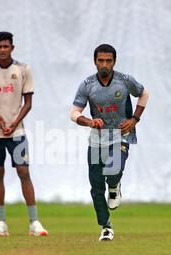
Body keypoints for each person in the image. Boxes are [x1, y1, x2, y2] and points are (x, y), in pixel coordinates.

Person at [70, 44, 149, 241]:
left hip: (120, 134)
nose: (104, 64)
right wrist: (89, 121)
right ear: (95, 61)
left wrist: (135, 119)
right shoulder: (87, 84)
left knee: (113, 169)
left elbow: (144, 94)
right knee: (96, 186)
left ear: (114, 61)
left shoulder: (124, 81)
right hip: (97, 138)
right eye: (101, 61)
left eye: (108, 61)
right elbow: (74, 113)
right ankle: (106, 227)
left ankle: (114, 186)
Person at [0, 31, 48, 237]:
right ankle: (1, 223)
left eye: (5, 46)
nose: (2, 50)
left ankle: (34, 222)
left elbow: (28, 103)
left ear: (12, 48)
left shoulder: (23, 69)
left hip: (16, 132)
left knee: (23, 172)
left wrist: (14, 122)